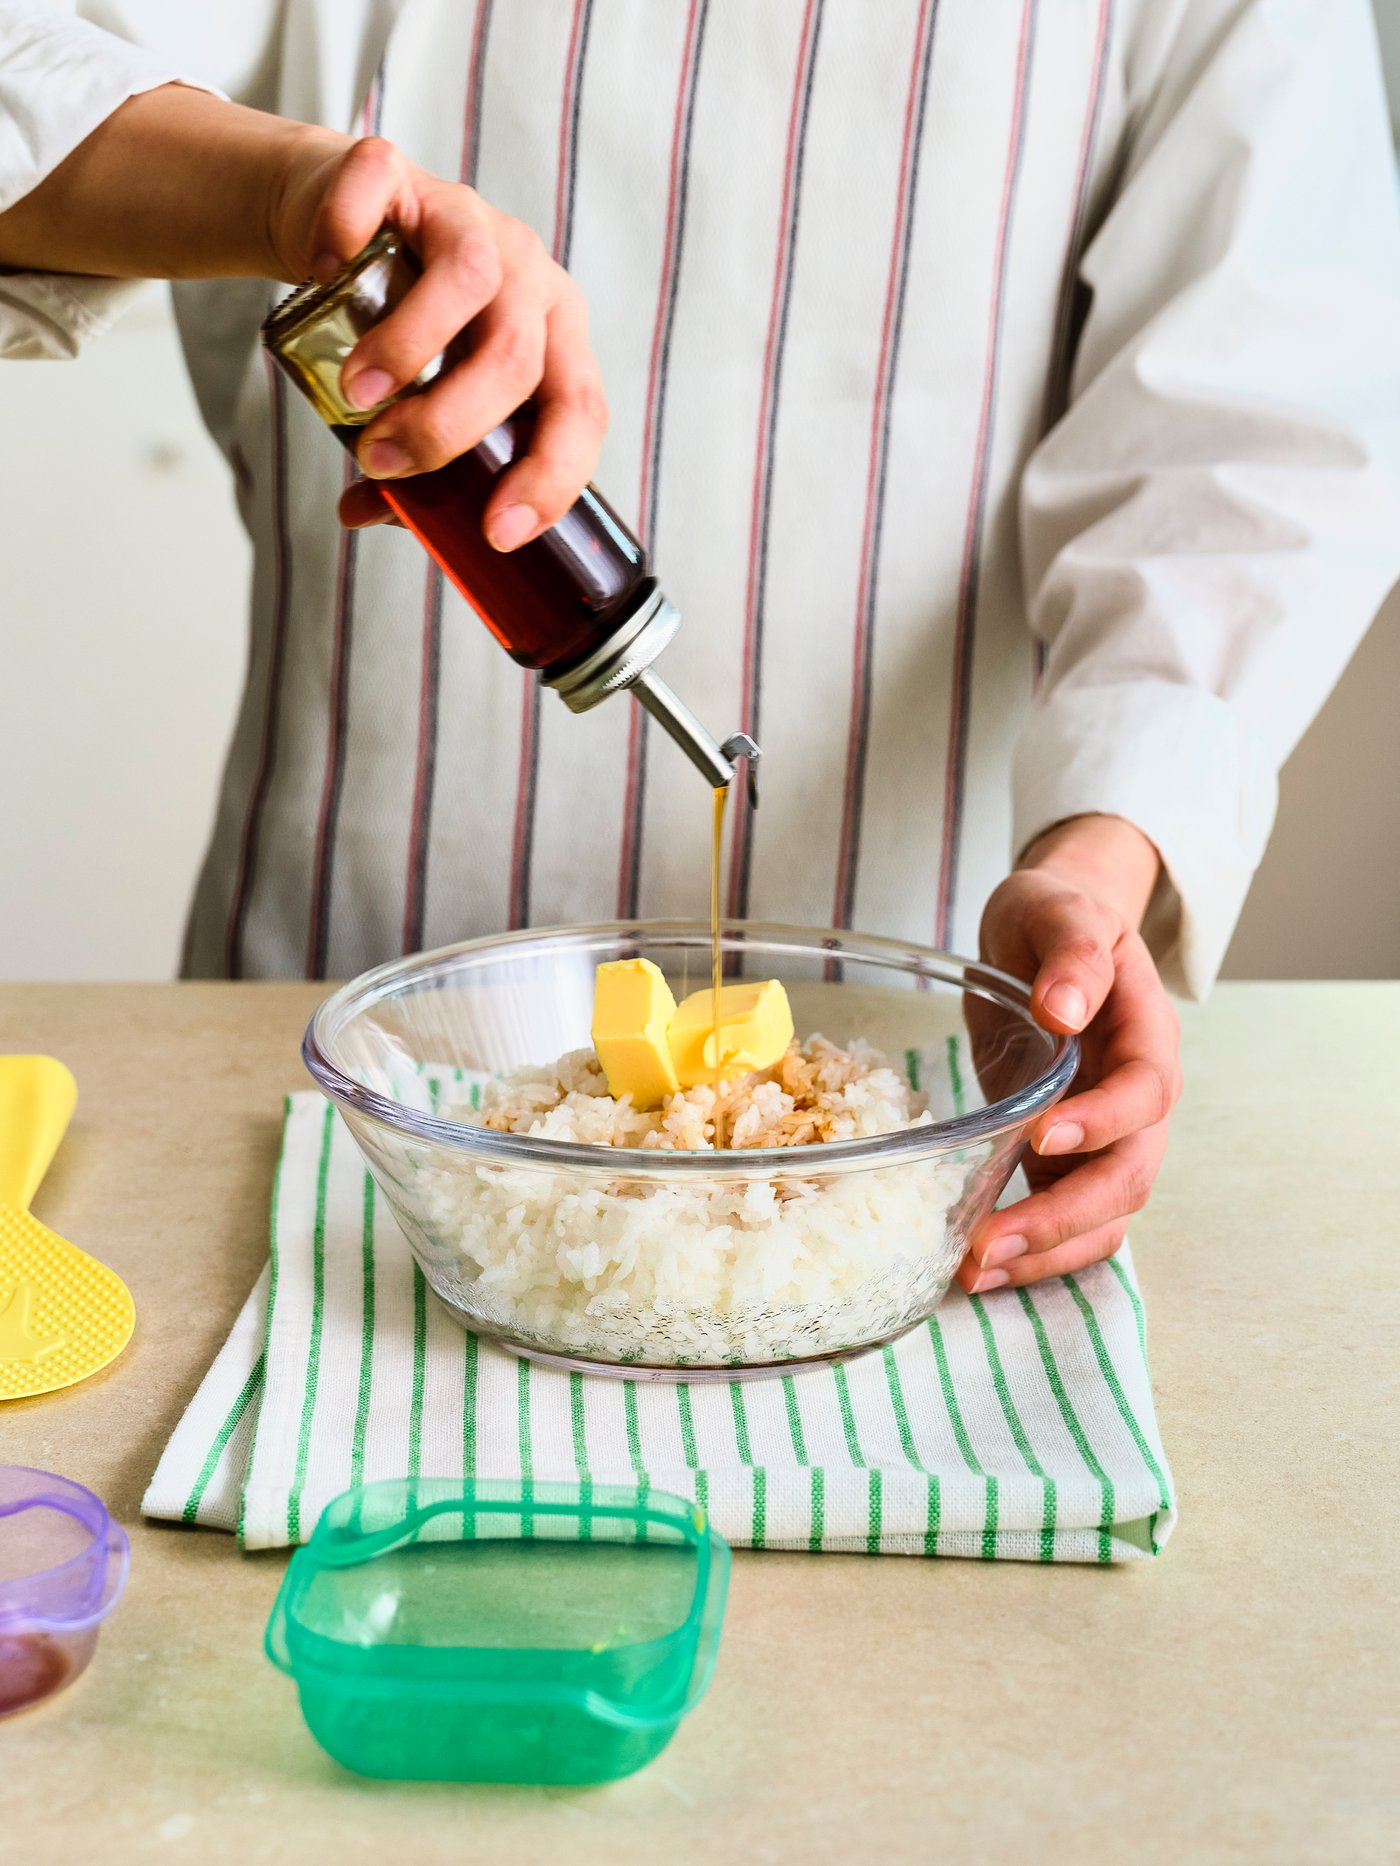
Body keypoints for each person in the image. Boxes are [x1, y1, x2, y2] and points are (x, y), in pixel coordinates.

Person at [2, 0, 1398, 1297]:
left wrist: (1098, 861)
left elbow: (1263, 419)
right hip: (332, 1062)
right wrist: (287, 189)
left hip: (917, 1068)